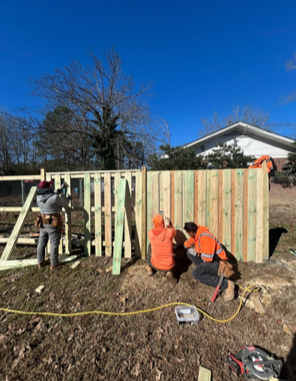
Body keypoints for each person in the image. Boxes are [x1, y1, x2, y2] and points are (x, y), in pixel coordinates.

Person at [182, 222, 235, 301]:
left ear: (191, 233)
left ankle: (227, 284)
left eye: (188, 233)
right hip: (210, 260)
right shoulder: (197, 235)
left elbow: (208, 258)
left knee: (195, 273)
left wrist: (199, 253)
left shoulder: (205, 237)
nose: (188, 235)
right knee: (189, 252)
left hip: (219, 264)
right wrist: (176, 248)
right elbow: (187, 244)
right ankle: (205, 270)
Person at [36, 180, 71, 270]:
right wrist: (68, 198)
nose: (51, 186)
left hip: (43, 222)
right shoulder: (55, 198)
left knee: (41, 242)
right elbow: (64, 204)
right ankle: (54, 264)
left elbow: (50, 195)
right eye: (50, 185)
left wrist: (60, 188)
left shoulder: (38, 197)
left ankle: (40, 262)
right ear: (48, 188)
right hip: (53, 223)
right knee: (54, 243)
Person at [147, 214, 177, 282]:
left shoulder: (150, 233)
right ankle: (170, 272)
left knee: (150, 246)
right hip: (168, 267)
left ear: (155, 223)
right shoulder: (169, 232)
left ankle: (149, 267)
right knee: (173, 247)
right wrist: (168, 225)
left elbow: (156, 237)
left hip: (155, 265)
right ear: (162, 223)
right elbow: (174, 231)